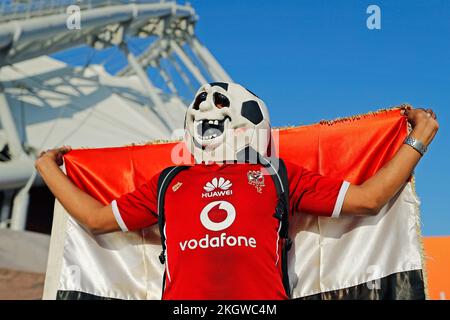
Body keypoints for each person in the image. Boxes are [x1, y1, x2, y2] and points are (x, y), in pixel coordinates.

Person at [35, 82, 439, 300]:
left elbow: (368, 200)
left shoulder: (279, 174)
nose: (207, 110)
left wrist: (420, 136)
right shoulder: (168, 181)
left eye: (218, 106)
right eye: (202, 107)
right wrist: (46, 169)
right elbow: (96, 219)